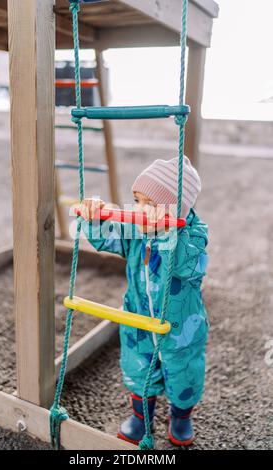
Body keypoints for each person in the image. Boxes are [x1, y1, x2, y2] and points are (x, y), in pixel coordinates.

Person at [78, 156, 209, 446]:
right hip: (138, 318)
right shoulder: (137, 229)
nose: (139, 210)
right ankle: (141, 418)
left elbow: (187, 266)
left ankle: (181, 416)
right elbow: (106, 239)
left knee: (184, 372)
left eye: (149, 203)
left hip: (180, 327)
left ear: (177, 209)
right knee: (138, 367)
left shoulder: (195, 235)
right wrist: (96, 216)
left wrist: (164, 234)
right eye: (137, 200)